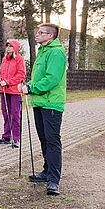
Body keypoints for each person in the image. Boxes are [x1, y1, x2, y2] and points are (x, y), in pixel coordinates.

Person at [21, 23, 66, 196]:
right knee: (44, 139)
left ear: (51, 36)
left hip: (51, 103)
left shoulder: (56, 52)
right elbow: (38, 77)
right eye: (37, 32)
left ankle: (54, 180)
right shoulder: (43, 51)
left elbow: (52, 79)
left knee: (53, 141)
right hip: (39, 102)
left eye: (41, 33)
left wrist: (32, 88)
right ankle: (47, 171)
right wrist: (28, 85)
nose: (37, 35)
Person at [0, 40, 26, 148]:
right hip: (4, 90)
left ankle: (16, 138)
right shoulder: (4, 59)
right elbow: (1, 72)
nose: (8, 48)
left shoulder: (19, 60)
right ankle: (6, 136)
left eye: (11, 46)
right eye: (7, 46)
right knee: (5, 114)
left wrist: (8, 82)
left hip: (14, 91)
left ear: (15, 48)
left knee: (15, 115)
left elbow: (21, 75)